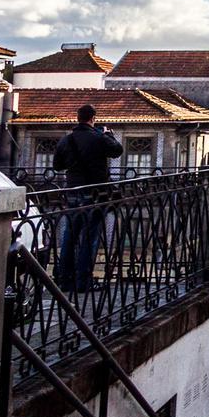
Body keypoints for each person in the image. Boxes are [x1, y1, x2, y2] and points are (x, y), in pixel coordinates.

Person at [52, 104, 123, 291]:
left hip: (72, 192)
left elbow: (57, 166)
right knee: (90, 237)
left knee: (70, 236)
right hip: (95, 193)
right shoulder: (99, 138)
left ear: (78, 118)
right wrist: (107, 134)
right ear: (93, 118)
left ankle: (65, 280)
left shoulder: (65, 140)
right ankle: (83, 281)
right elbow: (117, 150)